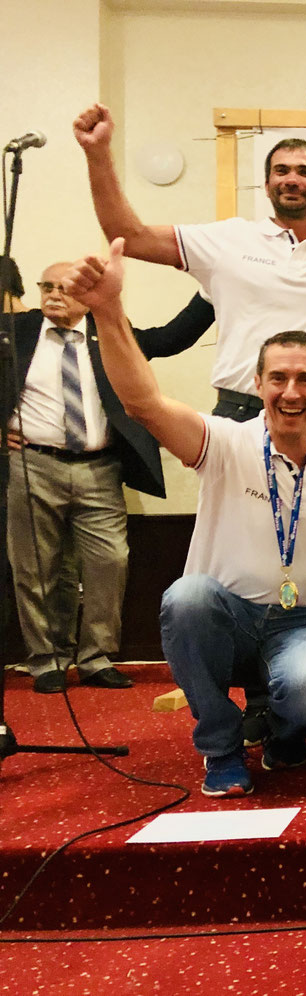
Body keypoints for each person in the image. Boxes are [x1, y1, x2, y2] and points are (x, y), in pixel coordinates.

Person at [64, 239, 306, 797]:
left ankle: (285, 729)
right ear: (257, 385)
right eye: (278, 378)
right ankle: (222, 745)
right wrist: (108, 311)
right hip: (227, 617)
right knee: (186, 598)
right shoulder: (226, 441)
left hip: (305, 621)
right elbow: (143, 403)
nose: (291, 392)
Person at [5, 263, 214, 692]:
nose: (53, 295)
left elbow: (170, 338)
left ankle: (96, 658)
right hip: (33, 464)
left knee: (110, 562)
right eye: (47, 287)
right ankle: (47, 661)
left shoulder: (112, 333)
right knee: (36, 568)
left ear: (88, 298)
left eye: (65, 289)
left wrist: (213, 290)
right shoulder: (17, 332)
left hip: (100, 469)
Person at [74, 103, 306, 420]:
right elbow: (129, 237)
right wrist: (97, 154)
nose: (291, 179)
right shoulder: (228, 238)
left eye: (304, 172)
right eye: (281, 171)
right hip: (240, 413)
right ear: (266, 186)